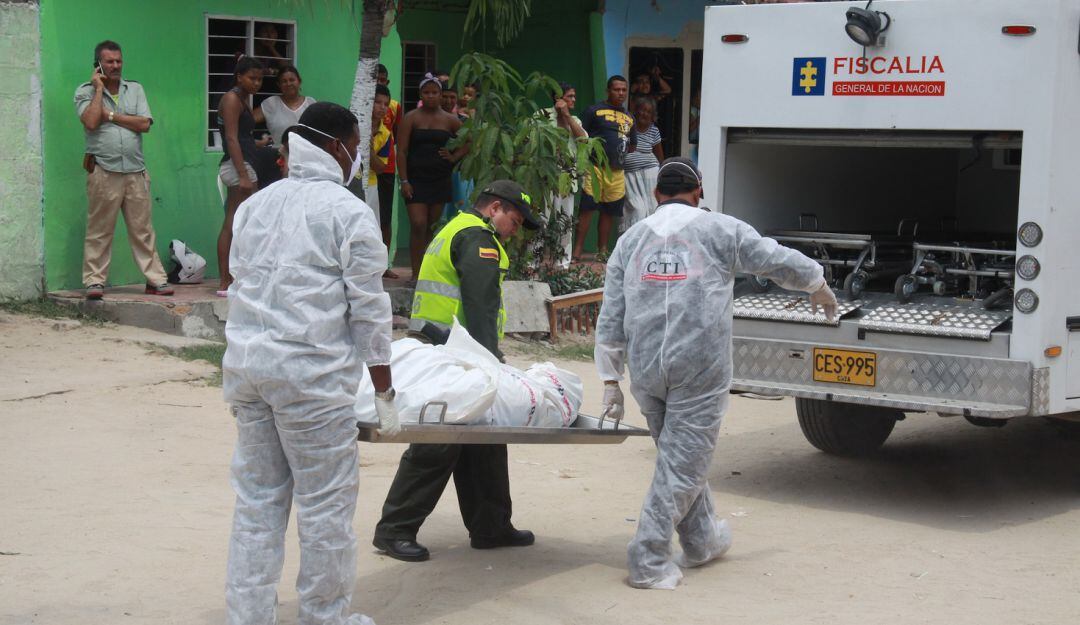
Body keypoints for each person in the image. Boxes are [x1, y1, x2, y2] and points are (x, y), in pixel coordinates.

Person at [594, 157, 838, 590]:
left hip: (646, 369)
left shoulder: (630, 240)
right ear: (698, 191)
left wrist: (611, 379)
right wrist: (816, 283)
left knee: (679, 459)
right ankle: (648, 558)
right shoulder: (721, 230)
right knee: (682, 466)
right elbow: (775, 259)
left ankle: (702, 540)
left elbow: (611, 312)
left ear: (656, 194)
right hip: (699, 367)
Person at [223, 101, 400, 625]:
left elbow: (240, 282)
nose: (356, 158)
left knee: (257, 503)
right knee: (325, 507)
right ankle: (325, 617)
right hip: (311, 383)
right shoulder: (349, 212)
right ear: (336, 147)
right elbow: (369, 310)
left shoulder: (256, 206)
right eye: (356, 148)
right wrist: (384, 391)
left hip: (250, 374)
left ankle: (248, 616)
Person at [374, 180, 540, 563]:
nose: (514, 232)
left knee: (486, 436)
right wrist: (491, 360)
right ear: (495, 208)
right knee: (439, 441)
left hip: (445, 348)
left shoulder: (454, 227)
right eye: (514, 222)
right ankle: (395, 529)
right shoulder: (478, 239)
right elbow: (481, 306)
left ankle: (491, 525)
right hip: (455, 354)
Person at [75, 40, 172, 300]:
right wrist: (98, 89)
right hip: (103, 171)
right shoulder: (84, 91)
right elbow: (91, 121)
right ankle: (95, 282)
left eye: (118, 61)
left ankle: (156, 280)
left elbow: (144, 124)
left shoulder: (135, 89)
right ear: (98, 64)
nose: (116, 65)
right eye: (109, 61)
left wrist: (111, 116)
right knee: (99, 230)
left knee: (143, 230)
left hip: (135, 171)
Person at [397, 73, 464, 282]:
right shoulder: (411, 118)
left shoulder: (450, 120)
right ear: (420, 94)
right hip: (415, 179)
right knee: (418, 224)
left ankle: (426, 273)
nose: (431, 96)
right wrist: (404, 180)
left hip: (440, 178)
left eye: (435, 92)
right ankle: (415, 273)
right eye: (426, 92)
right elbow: (401, 151)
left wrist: (454, 156)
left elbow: (470, 141)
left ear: (440, 95)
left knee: (431, 227)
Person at [216, 55, 265, 296]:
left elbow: (242, 137)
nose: (256, 83)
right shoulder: (232, 99)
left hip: (244, 162)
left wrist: (259, 144)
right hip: (237, 167)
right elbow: (231, 138)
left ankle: (236, 276)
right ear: (239, 77)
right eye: (251, 78)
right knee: (233, 222)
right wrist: (243, 175)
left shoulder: (243, 100)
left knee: (244, 222)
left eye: (259, 79)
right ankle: (225, 279)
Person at [573, 75, 637, 261]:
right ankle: (577, 251)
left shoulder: (629, 117)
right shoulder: (593, 111)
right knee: (587, 210)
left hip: (616, 172)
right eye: (617, 89)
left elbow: (633, 145)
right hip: (594, 168)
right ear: (608, 91)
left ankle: (602, 252)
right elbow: (580, 135)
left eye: (624, 90)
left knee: (609, 212)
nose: (621, 93)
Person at [545, 82, 588, 268]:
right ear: (558, 98)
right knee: (541, 221)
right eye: (570, 96)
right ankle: (531, 265)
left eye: (574, 96)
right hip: (544, 175)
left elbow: (583, 139)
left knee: (565, 222)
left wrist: (567, 116)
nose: (574, 100)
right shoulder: (542, 115)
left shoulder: (575, 119)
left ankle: (562, 265)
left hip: (566, 177)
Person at [621, 97, 664, 232]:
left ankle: (650, 239)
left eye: (648, 112)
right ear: (636, 111)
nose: (644, 114)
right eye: (642, 110)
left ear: (653, 116)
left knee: (653, 208)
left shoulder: (654, 131)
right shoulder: (626, 128)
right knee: (637, 210)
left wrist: (663, 175)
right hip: (630, 176)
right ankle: (632, 238)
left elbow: (660, 156)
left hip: (651, 173)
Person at [376, 64, 403, 277]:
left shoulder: (394, 106)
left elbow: (398, 135)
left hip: (387, 166)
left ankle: (384, 264)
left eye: (382, 79)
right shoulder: (361, 102)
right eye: (375, 79)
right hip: (364, 171)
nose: (379, 82)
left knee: (385, 216)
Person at [257, 65, 315, 146]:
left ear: (299, 81)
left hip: (306, 153)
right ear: (279, 85)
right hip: (279, 152)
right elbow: (247, 121)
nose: (288, 84)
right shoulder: (271, 103)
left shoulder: (310, 103)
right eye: (284, 81)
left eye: (292, 80)